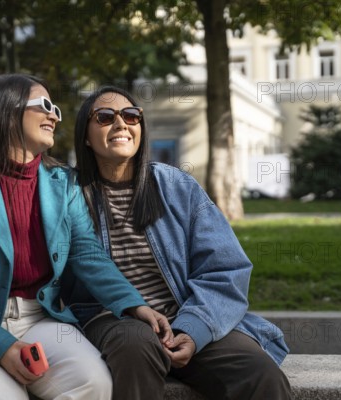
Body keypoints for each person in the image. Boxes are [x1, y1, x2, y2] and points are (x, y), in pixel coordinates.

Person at [0, 74, 171, 400]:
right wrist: (2, 346)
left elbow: (87, 255)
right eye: (45, 106)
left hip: (40, 320)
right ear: (7, 111)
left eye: (56, 109)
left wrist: (134, 304)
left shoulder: (61, 182)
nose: (55, 115)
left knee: (94, 384)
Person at [61, 86, 293, 400]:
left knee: (260, 374)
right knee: (135, 344)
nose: (121, 124)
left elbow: (225, 268)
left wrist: (192, 330)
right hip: (113, 320)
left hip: (187, 315)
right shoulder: (67, 195)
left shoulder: (175, 185)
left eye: (131, 116)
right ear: (86, 136)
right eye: (104, 117)